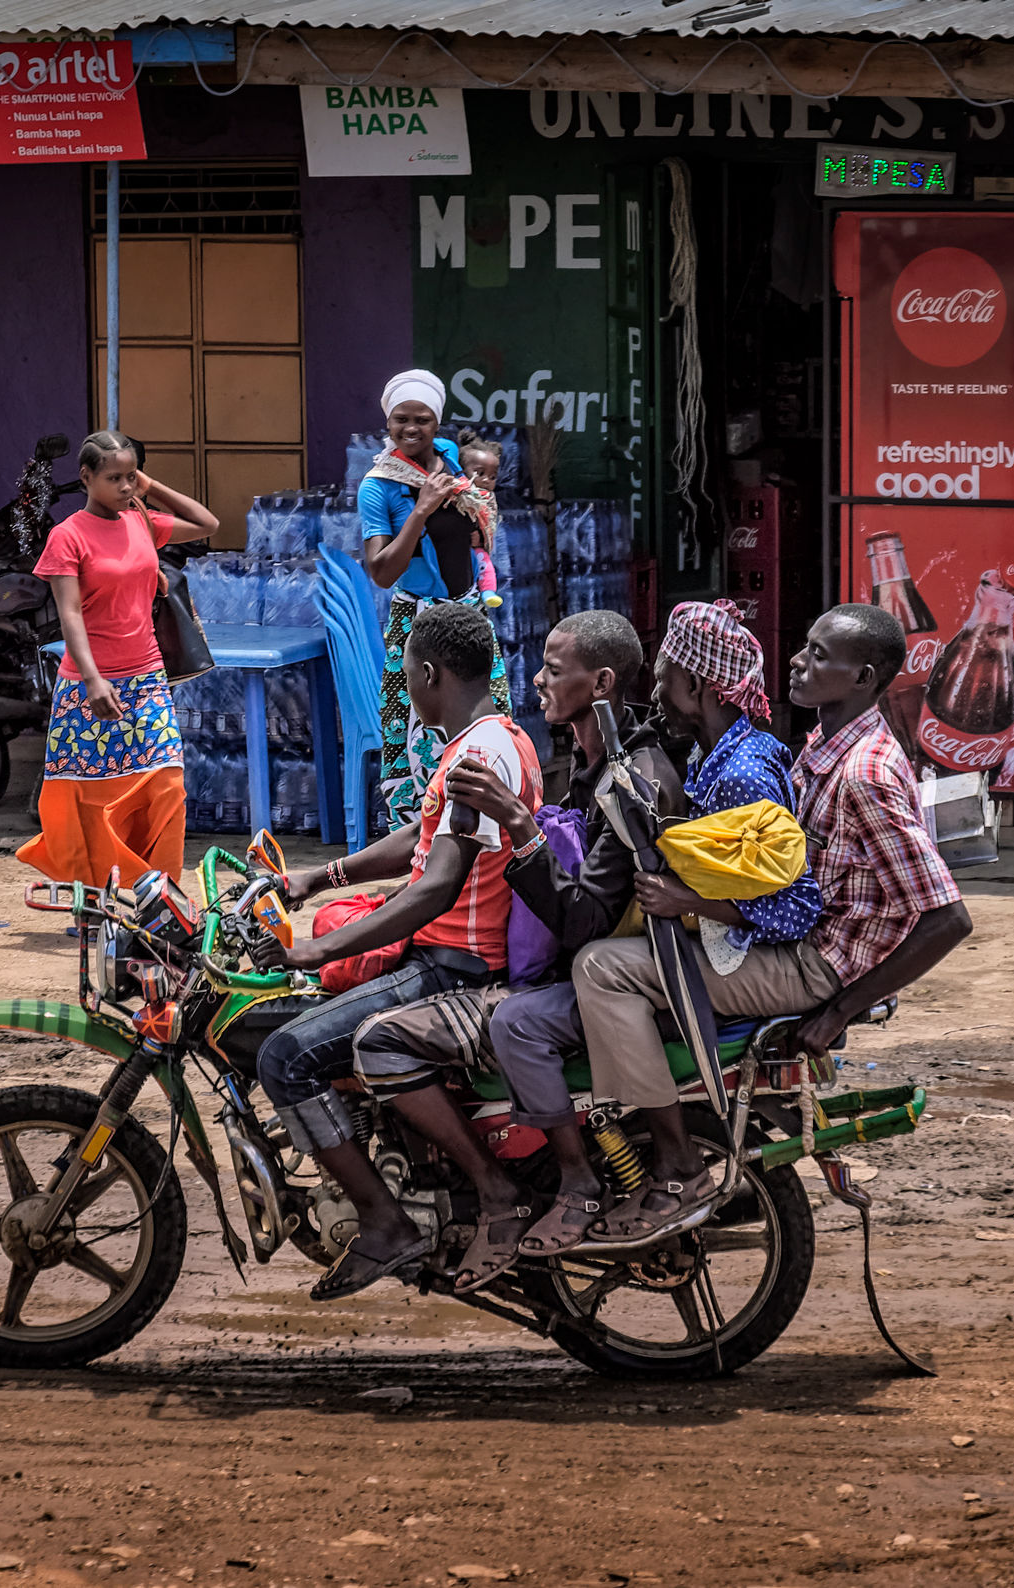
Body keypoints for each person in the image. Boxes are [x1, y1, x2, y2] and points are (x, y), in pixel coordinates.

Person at [569, 604, 971, 1241]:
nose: (797, 660)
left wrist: (838, 1011)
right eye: (804, 645)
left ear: (864, 677)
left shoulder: (864, 772)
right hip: (788, 939)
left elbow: (947, 917)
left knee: (602, 971)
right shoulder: (819, 742)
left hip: (813, 961)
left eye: (819, 654)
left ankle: (675, 1165)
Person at [346, 609, 684, 1291]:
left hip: (590, 972)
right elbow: (427, 838)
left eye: (554, 671)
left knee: (407, 1036)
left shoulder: (628, 777)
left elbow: (585, 918)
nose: (535, 680)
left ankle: (561, 1184)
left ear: (603, 682)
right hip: (562, 962)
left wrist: (523, 828)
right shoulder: (589, 764)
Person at [250, 602, 541, 1301]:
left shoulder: (477, 752)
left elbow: (433, 888)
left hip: (451, 967)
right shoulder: (490, 739)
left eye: (406, 669)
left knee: (285, 1058)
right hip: (439, 954)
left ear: (429, 672)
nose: (403, 681)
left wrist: (312, 954)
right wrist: (319, 878)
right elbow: (422, 836)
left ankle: (391, 1221)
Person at [16, 430, 219, 889]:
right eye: (115, 479)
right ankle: (95, 897)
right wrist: (92, 681)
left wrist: (150, 488)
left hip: (147, 679)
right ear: (86, 478)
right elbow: (69, 615)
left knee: (165, 788)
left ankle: (158, 900)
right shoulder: (67, 536)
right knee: (92, 799)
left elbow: (207, 523)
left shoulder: (141, 520)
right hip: (89, 687)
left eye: (131, 477)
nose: (126, 488)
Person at [359, 372, 511, 829]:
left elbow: (473, 519)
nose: (411, 429)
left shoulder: (450, 460)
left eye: (422, 420)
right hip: (418, 624)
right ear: (387, 423)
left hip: (469, 612)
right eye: (400, 419)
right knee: (418, 732)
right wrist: (422, 509)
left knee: (488, 714)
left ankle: (483, 832)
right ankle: (422, 839)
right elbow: (382, 571)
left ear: (436, 422)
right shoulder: (378, 486)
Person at [455, 430, 504, 604]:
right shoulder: (455, 495)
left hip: (476, 550)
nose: (486, 480)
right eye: (480, 473)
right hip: (456, 553)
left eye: (492, 476)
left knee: (486, 566)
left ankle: (488, 592)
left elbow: (489, 525)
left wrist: (481, 537)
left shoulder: (489, 500)